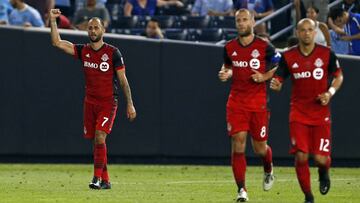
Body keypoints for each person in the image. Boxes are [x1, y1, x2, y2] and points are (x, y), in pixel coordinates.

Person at [49, 8, 137, 189]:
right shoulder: (83, 51)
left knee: (99, 137)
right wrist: (52, 21)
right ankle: (106, 180)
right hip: (90, 102)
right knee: (96, 141)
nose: (93, 31)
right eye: (90, 28)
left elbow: (123, 81)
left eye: (96, 28)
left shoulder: (113, 53)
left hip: (108, 102)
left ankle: (96, 178)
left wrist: (130, 104)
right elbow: (57, 43)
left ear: (103, 30)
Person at [270, 18, 344, 203]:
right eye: (302, 30)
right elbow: (279, 78)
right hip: (298, 113)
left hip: (320, 113)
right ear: (297, 32)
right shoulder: (288, 56)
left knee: (320, 159)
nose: (306, 33)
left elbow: (338, 76)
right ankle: (308, 197)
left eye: (310, 29)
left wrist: (330, 92)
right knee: (301, 156)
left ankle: (323, 172)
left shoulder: (326, 54)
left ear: (315, 31)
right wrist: (276, 84)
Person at [218, 8, 278, 202]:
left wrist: (265, 76)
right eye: (238, 21)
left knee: (260, 149)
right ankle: (242, 190)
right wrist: (225, 72)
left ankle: (268, 168)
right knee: (238, 144)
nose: (241, 23)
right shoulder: (229, 47)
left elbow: (282, 63)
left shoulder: (264, 46)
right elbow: (227, 66)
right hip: (236, 103)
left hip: (258, 103)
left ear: (253, 22)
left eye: (245, 20)